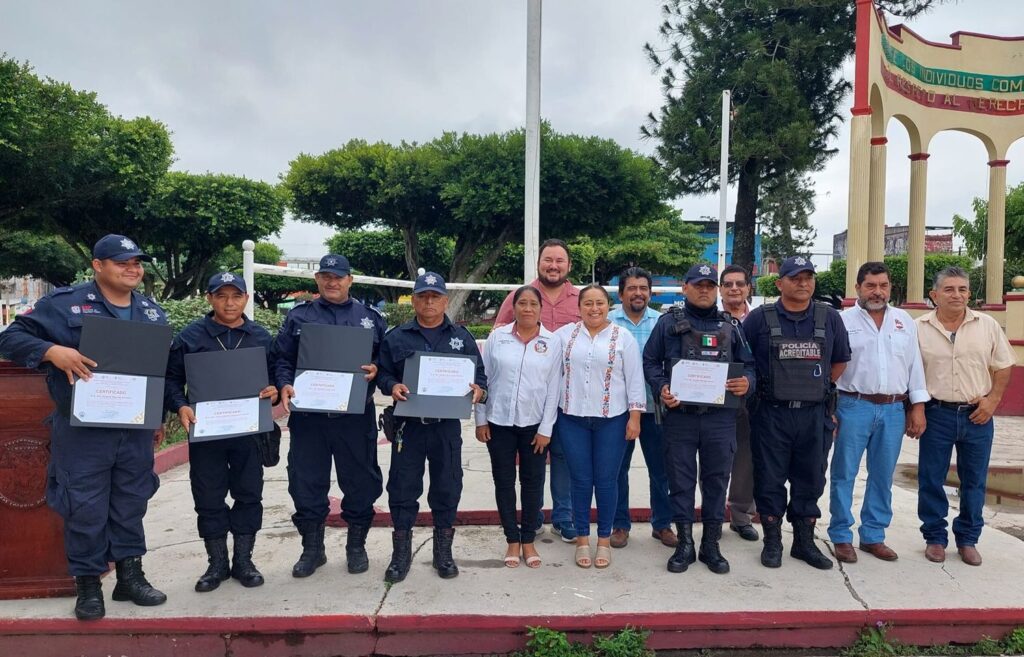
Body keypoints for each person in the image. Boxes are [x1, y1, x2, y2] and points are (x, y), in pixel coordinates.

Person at [0, 234, 168, 620]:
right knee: (84, 506)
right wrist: (51, 351)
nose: (133, 269)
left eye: (137, 263)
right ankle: (89, 585)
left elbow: (157, 370)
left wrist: (156, 416)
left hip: (133, 427)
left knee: (132, 501)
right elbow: (10, 338)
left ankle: (130, 577)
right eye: (122, 262)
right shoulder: (64, 304)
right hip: (83, 429)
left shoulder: (151, 312)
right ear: (97, 266)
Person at [272, 254, 386, 578]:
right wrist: (284, 383)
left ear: (350, 280)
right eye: (326, 276)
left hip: (355, 417)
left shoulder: (370, 319)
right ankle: (312, 549)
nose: (332, 282)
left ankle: (356, 546)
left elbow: (387, 360)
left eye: (338, 277)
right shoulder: (299, 316)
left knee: (361, 480)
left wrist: (377, 370)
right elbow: (282, 358)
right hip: (310, 418)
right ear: (317, 279)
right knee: (305, 481)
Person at [164, 273, 279, 591]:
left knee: (249, 494)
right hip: (207, 433)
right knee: (208, 497)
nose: (230, 303)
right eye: (222, 296)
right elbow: (171, 379)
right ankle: (217, 564)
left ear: (246, 299)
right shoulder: (190, 337)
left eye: (236, 296)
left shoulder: (260, 337)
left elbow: (276, 377)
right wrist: (180, 405)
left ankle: (243, 561)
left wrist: (275, 392)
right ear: (210, 298)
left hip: (249, 433)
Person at [643, 264, 755, 574]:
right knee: (680, 482)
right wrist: (661, 387)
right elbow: (650, 361)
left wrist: (746, 383)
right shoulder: (668, 323)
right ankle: (685, 543)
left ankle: (711, 545)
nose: (704, 290)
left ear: (716, 290)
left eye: (709, 285)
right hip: (680, 417)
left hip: (720, 419)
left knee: (716, 481)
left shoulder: (731, 325)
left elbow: (750, 365)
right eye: (698, 285)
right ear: (685, 288)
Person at [742, 256, 851, 570]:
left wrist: (814, 388)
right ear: (779, 283)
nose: (803, 283)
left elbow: (840, 361)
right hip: (771, 415)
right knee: (769, 478)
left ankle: (803, 543)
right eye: (795, 278)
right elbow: (744, 361)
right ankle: (772, 541)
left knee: (811, 478)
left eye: (808, 277)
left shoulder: (830, 318)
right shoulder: (759, 319)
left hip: (814, 415)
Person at [377, 272, 486, 582]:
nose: (429, 302)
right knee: (402, 488)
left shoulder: (461, 337)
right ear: (413, 300)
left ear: (445, 301)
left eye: (435, 297)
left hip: (445, 428)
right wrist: (392, 385)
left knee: (447, 486)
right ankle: (401, 555)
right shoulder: (397, 337)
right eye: (423, 296)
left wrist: (479, 390)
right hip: (408, 428)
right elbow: (382, 373)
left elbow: (480, 377)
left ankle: (443, 553)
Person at [829, 262, 928, 564]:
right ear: (858, 287)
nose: (878, 292)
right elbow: (831, 367)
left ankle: (873, 535)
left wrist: (918, 407)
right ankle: (841, 535)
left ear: (890, 288)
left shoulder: (904, 321)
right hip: (852, 405)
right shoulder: (842, 321)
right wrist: (829, 409)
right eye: (871, 285)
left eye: (883, 285)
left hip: (893, 409)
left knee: (883, 475)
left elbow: (914, 366)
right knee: (844, 473)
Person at [915, 266, 1015, 566]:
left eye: (962, 289)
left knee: (974, 480)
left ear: (969, 294)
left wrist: (992, 401)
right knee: (931, 479)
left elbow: (1004, 364)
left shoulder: (987, 325)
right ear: (934, 295)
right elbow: (911, 372)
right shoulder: (918, 328)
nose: (956, 295)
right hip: (936, 413)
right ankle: (935, 537)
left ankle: (968, 539)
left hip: (977, 415)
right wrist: (915, 409)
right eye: (949, 289)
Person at [495, 238, 580, 543]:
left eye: (559, 260)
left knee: (563, 455)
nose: (553, 266)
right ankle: (534, 516)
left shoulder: (580, 299)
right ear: (539, 263)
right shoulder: (519, 296)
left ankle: (563, 516)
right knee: (533, 457)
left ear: (569, 265)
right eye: (548, 260)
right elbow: (499, 337)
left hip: (570, 395)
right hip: (528, 396)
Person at [555, 284, 645, 569]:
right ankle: (582, 539)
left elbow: (634, 379)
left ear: (609, 306)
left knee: (607, 481)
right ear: (579, 307)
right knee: (580, 480)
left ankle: (604, 540)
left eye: (600, 303)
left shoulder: (623, 337)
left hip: (613, 420)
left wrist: (635, 417)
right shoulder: (564, 336)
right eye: (588, 303)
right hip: (572, 419)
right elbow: (547, 367)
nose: (594, 309)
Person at [475, 285, 562, 568]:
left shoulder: (552, 342)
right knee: (503, 481)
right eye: (522, 303)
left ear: (540, 309)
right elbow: (483, 379)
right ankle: (512, 539)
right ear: (513, 308)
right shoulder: (497, 338)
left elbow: (554, 388)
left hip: (534, 425)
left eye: (533, 304)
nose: (527, 308)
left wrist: (546, 429)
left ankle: (528, 540)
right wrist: (480, 419)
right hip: (498, 422)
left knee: (533, 483)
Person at [608, 267, 676, 549]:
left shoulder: (663, 322)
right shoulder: (607, 321)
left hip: (655, 407)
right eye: (632, 288)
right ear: (621, 293)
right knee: (617, 470)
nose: (638, 293)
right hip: (617, 410)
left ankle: (662, 524)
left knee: (661, 470)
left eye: (643, 288)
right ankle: (619, 524)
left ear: (650, 293)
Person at [719, 264, 759, 542]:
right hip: (715, 401)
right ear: (720, 289)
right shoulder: (708, 317)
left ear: (748, 288)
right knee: (714, 460)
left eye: (740, 284)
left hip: (751, 400)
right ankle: (713, 514)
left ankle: (741, 516)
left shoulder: (760, 319)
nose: (734, 289)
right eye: (728, 284)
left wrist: (750, 383)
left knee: (746, 460)